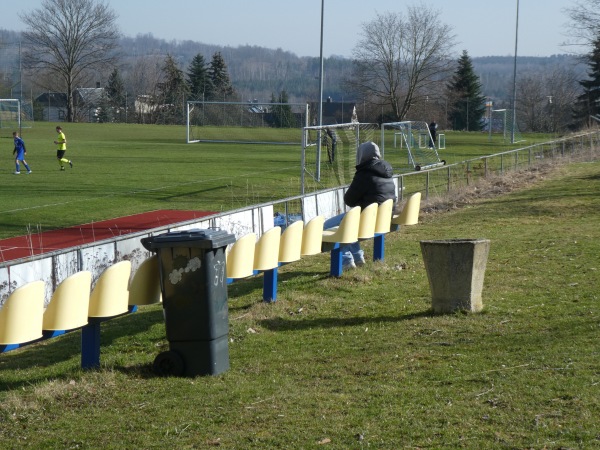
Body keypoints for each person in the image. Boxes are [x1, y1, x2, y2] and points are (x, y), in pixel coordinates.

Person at [323, 141, 396, 269]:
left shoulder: (364, 174)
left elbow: (349, 200)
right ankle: (358, 257)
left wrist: (359, 200)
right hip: (383, 218)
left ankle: (347, 261)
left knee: (328, 226)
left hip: (368, 221)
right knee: (351, 221)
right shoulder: (387, 171)